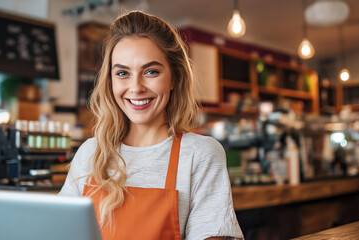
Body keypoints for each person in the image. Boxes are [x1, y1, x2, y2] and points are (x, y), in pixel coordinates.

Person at [59, 10, 244, 240]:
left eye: (151, 71)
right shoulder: (90, 153)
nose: (136, 87)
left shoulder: (200, 155)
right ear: (111, 81)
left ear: (174, 77)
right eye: (123, 73)